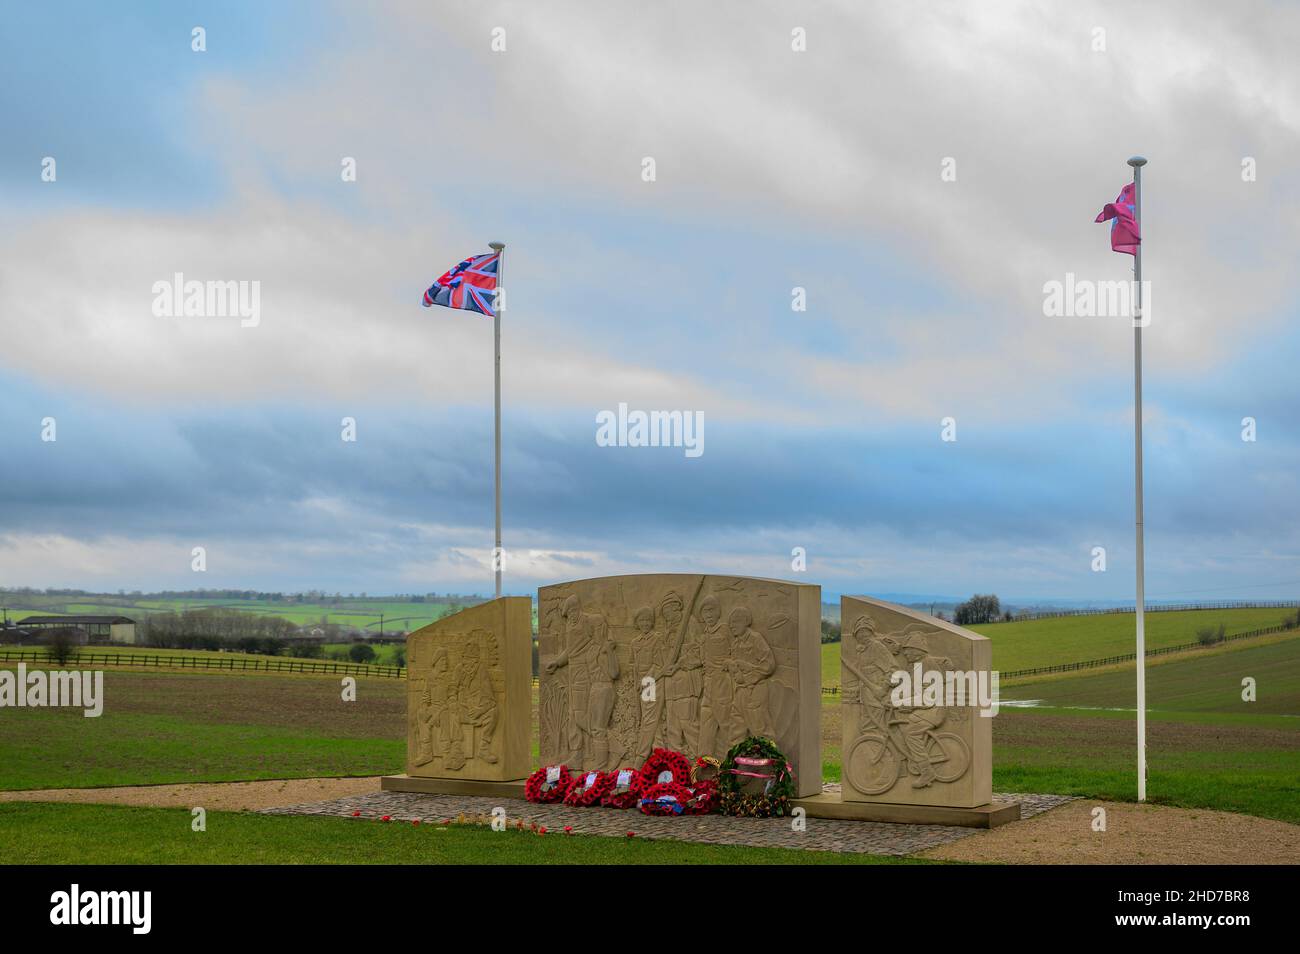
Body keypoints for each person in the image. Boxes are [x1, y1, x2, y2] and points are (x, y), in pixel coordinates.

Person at [889, 629, 951, 788]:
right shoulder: (916, 665)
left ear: (918, 651)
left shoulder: (926, 664)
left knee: (911, 734)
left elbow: (928, 696)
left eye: (908, 650)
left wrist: (906, 704)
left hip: (933, 710)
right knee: (902, 725)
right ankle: (912, 761)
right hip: (925, 708)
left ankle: (926, 772)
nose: (905, 654)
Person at [660, 591, 702, 756]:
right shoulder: (667, 630)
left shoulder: (690, 623)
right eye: (664, 611)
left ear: (677, 607)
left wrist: (679, 664)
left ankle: (701, 765)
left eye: (668, 609)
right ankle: (676, 769)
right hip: (671, 688)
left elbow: (699, 652)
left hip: (686, 685)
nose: (665, 614)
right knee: (673, 730)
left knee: (689, 725)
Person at [726, 607, 776, 739]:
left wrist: (748, 677)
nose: (732, 626)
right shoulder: (735, 643)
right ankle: (735, 759)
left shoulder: (755, 638)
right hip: (739, 692)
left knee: (760, 730)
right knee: (736, 732)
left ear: (745, 622)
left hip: (754, 691)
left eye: (735, 622)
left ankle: (770, 758)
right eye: (730, 623)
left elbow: (768, 665)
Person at [697, 595, 738, 754]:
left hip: (722, 683)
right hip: (708, 683)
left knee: (726, 721)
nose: (708, 615)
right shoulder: (704, 634)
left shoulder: (725, 630)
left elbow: (735, 652)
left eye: (711, 610)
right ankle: (703, 762)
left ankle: (732, 759)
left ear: (718, 612)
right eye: (705, 612)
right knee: (706, 721)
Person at [451, 641, 498, 765]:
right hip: (461, 709)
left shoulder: (482, 671)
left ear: (476, 661)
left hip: (477, 711)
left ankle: (483, 749)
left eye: (469, 659)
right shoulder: (459, 669)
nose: (466, 662)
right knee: (451, 711)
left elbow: (491, 700)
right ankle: (456, 750)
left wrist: (480, 710)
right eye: (465, 658)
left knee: (493, 712)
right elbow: (452, 689)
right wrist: (453, 702)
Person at [630, 605, 665, 763]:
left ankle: (641, 756)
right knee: (650, 719)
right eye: (641, 620)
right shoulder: (635, 642)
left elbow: (658, 664)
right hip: (642, 682)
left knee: (648, 719)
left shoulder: (657, 638)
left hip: (652, 681)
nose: (645, 623)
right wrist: (637, 681)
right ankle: (661, 753)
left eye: (648, 620)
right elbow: (634, 665)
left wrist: (645, 681)